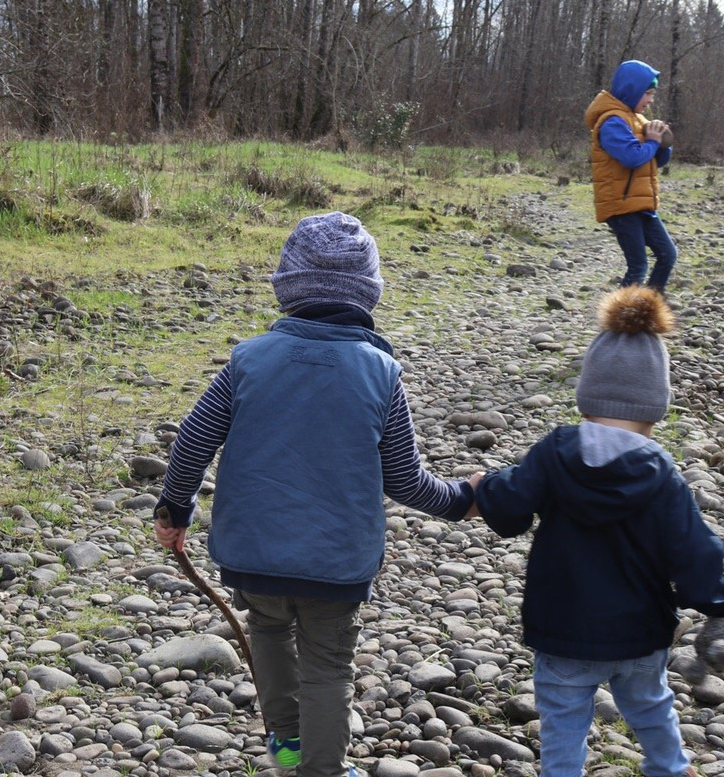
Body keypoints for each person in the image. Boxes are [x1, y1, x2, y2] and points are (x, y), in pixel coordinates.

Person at [153, 211, 480, 777]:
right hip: (336, 564)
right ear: (368, 294)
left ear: (287, 285)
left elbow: (192, 441)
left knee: (270, 636)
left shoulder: (248, 360)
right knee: (328, 666)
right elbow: (404, 479)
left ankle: (286, 751)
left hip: (253, 555)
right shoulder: (381, 373)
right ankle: (323, 771)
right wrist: (459, 499)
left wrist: (174, 509)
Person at [470, 285, 724, 777]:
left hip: (563, 632)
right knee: (651, 706)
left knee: (562, 722)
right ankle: (669, 767)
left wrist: (482, 488)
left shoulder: (555, 451)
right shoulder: (660, 471)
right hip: (640, 634)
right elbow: (695, 552)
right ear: (656, 405)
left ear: (587, 391)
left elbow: (510, 503)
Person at [585, 60, 677, 293]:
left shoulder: (638, 119)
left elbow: (656, 162)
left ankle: (647, 309)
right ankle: (617, 322)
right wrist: (653, 141)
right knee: (638, 267)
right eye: (647, 93)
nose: (651, 100)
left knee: (668, 254)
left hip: (641, 205)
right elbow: (632, 157)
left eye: (653, 94)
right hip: (622, 205)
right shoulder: (612, 122)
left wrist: (663, 145)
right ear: (631, 90)